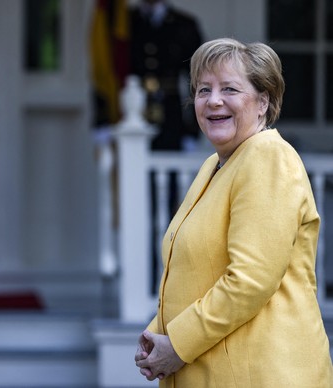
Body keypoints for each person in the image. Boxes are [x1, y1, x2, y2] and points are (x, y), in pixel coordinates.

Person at [135, 38, 333, 387]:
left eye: (229, 89)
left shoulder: (267, 157)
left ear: (263, 102)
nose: (213, 100)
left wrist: (177, 345)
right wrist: (159, 334)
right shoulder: (216, 165)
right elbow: (199, 271)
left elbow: (249, 280)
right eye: (202, 89)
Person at [129, 0, 202, 151]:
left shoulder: (184, 24)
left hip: (171, 115)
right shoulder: (125, 23)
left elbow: (198, 79)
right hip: (130, 111)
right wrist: (103, 119)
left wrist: (193, 129)